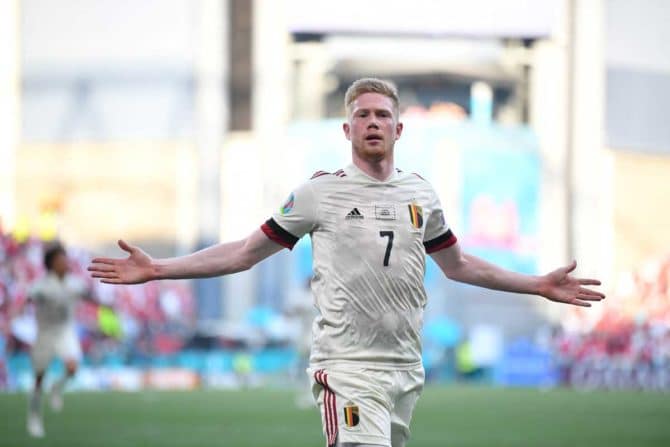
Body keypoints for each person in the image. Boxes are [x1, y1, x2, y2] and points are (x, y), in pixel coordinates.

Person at [88, 78, 605, 447]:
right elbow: (245, 252)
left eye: (383, 115)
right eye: (363, 115)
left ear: (399, 129)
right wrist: (159, 269)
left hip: (405, 368)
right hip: (346, 367)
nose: (373, 123)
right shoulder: (318, 194)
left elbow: (461, 265)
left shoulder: (420, 194)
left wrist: (537, 284)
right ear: (347, 129)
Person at [20, 242, 90, 437]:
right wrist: (16, 313)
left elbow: (89, 296)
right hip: (45, 333)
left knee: (72, 367)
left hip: (65, 330)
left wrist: (108, 307)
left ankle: (57, 387)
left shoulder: (75, 283)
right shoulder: (42, 286)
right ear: (51, 264)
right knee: (38, 378)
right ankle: (34, 417)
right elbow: (28, 299)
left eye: (65, 259)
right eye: (60, 260)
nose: (65, 263)